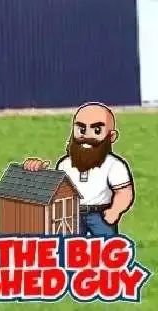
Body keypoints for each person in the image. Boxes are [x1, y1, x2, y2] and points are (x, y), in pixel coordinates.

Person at [23, 102, 135, 237]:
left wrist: (115, 211)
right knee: (68, 250)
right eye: (81, 130)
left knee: (106, 250)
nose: (86, 136)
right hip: (71, 215)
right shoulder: (65, 164)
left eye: (96, 131)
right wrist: (37, 172)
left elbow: (124, 192)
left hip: (100, 216)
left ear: (111, 137)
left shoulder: (114, 165)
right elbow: (57, 191)